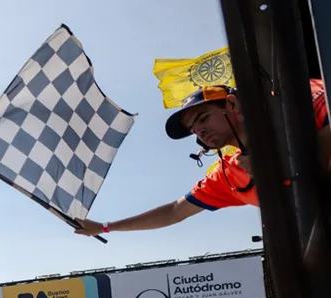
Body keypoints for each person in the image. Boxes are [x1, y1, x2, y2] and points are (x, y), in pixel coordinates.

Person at [74, 81, 330, 237]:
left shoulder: (295, 99)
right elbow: (175, 212)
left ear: (232, 104)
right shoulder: (228, 175)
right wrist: (105, 227)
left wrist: (273, 160)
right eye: (193, 130)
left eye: (203, 118)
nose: (200, 131)